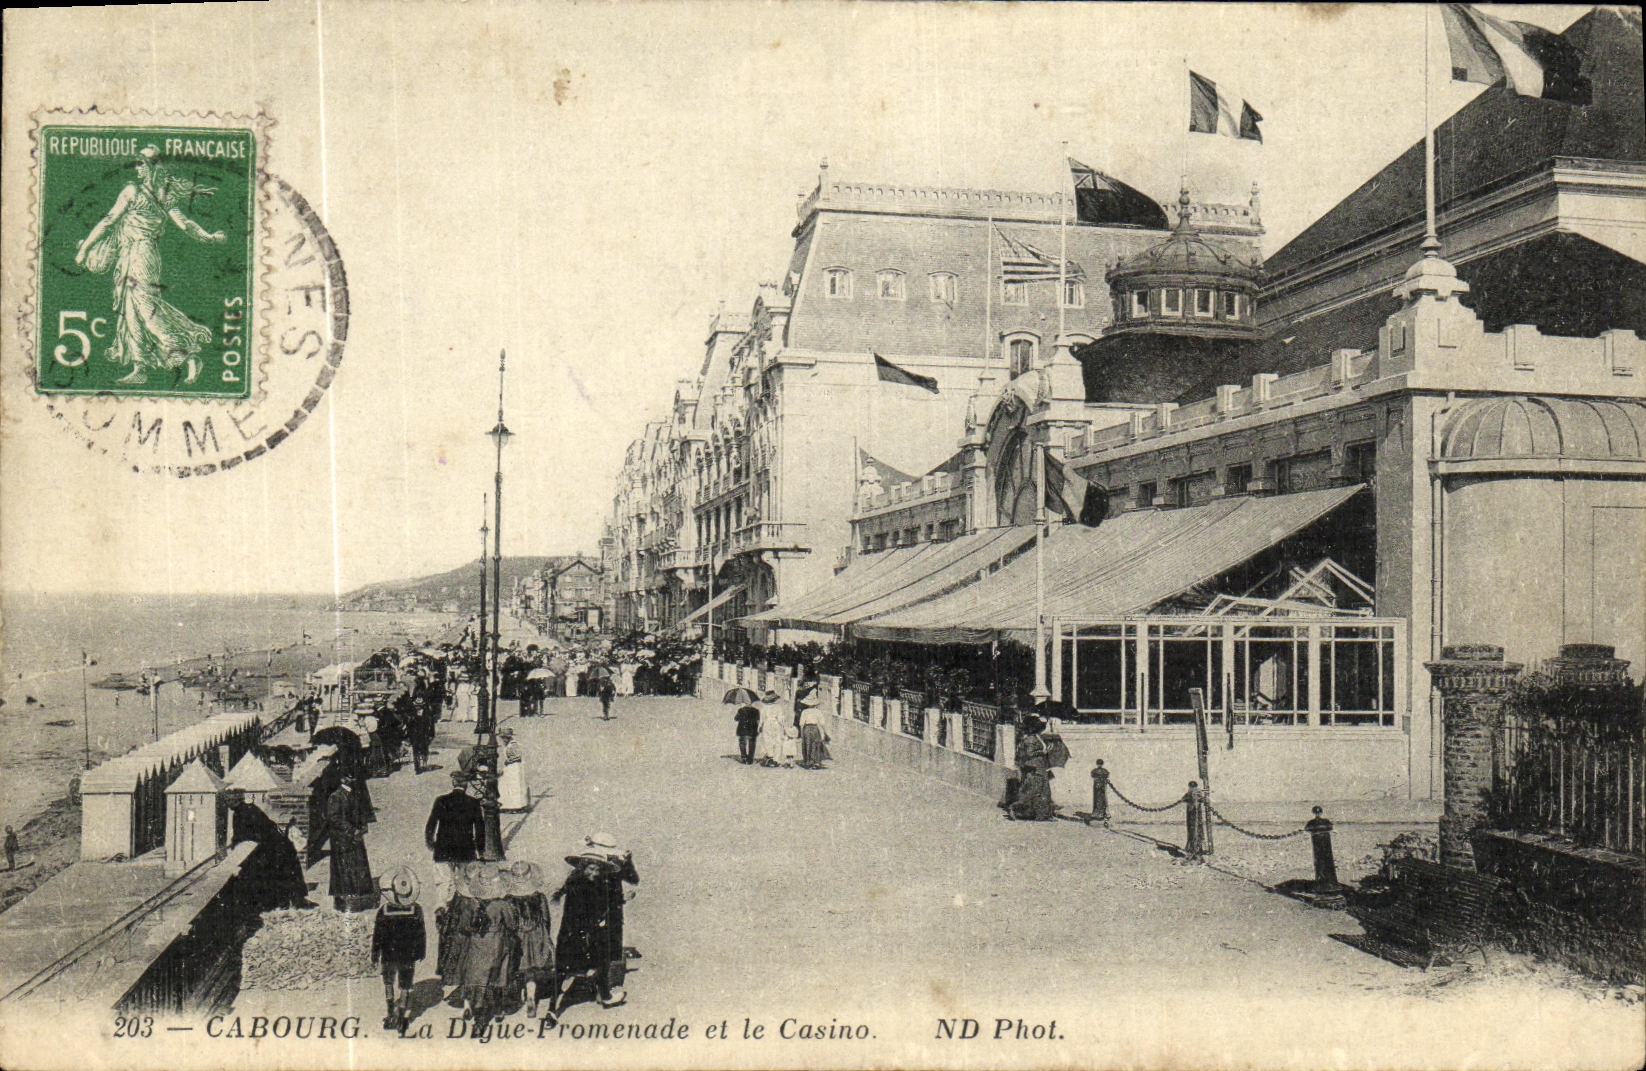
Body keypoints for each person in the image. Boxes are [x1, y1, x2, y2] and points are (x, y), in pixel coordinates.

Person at [73, 144, 225, 385]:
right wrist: (207, 236)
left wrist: (83, 249)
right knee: (130, 309)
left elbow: (109, 221)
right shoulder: (157, 193)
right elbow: (110, 221)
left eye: (141, 164)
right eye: (137, 163)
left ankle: (183, 351)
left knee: (144, 306)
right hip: (131, 254)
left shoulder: (139, 192)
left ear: (153, 167)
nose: (137, 168)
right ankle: (140, 367)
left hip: (142, 254)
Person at [551, 855, 621, 1011]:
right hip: (584, 935)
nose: (594, 873)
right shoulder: (589, 887)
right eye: (591, 869)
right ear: (583, 868)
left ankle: (551, 1009)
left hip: (567, 934)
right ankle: (604, 996)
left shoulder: (572, 883)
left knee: (562, 972)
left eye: (597, 870)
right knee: (603, 960)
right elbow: (593, 912)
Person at [453, 865, 520, 1024]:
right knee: (497, 977)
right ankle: (496, 1009)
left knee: (477, 977)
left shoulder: (471, 905)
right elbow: (512, 925)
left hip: (477, 944)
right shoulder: (502, 905)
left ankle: (474, 1007)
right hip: (497, 943)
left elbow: (464, 927)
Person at [583, 833, 639, 999]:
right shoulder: (615, 865)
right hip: (612, 913)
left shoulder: (586, 864)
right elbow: (633, 880)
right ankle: (611, 987)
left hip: (590, 914)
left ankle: (594, 982)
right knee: (613, 950)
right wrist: (628, 862)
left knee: (594, 947)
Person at [372, 866, 427, 1035]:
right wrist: (420, 951)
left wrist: (375, 953)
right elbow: (420, 933)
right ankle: (403, 1017)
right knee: (405, 984)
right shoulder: (415, 909)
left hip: (389, 953)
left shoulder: (384, 911)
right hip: (407, 954)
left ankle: (390, 1014)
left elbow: (378, 935)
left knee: (388, 982)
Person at [505, 862, 556, 1022]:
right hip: (536, 933)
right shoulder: (539, 896)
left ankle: (520, 993)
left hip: (519, 934)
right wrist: (545, 935)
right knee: (532, 971)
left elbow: (508, 921)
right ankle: (531, 995)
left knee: (519, 966)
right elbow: (546, 918)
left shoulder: (509, 899)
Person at [425, 772, 487, 899]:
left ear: (453, 783)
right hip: (465, 850)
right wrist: (480, 851)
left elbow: (431, 824)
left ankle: (442, 909)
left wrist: (431, 843)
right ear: (466, 785)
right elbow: (480, 830)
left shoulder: (441, 800)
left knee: (443, 884)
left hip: (443, 850)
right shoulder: (474, 803)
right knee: (466, 883)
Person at [323, 778, 375, 911]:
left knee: (356, 868)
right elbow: (334, 818)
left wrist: (363, 826)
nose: (353, 780)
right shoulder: (336, 796)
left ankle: (356, 898)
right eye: (350, 777)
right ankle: (342, 901)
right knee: (343, 870)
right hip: (342, 840)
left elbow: (360, 813)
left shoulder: (353, 795)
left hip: (354, 839)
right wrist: (351, 830)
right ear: (343, 780)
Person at [1006, 714, 1056, 821]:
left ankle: (1043, 814)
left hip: (1040, 766)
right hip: (1033, 767)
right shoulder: (1030, 739)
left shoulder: (1037, 737)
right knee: (1033, 790)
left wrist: (1046, 749)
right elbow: (1029, 753)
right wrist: (1043, 751)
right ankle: (1014, 808)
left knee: (1044, 791)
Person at [497, 727, 530, 812]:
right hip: (510, 767)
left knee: (514, 786)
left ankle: (516, 806)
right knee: (505, 785)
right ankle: (507, 805)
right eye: (503, 738)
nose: (503, 740)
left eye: (505, 738)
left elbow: (517, 757)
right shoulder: (508, 745)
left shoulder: (514, 745)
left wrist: (508, 762)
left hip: (515, 767)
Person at [1180, 781, 1211, 862]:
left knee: (1197, 832)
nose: (1192, 789)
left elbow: (1203, 800)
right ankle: (1194, 850)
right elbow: (1183, 799)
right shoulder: (1189, 794)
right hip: (1191, 816)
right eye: (1191, 787)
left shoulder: (1196, 793)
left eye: (1193, 787)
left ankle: (1197, 851)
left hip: (1196, 816)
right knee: (1192, 832)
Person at [754, 691, 786, 767]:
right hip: (775, 724)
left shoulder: (764, 707)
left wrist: (760, 726)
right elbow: (781, 718)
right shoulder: (778, 707)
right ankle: (776, 759)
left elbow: (762, 719)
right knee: (777, 741)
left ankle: (770, 756)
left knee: (768, 741)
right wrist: (783, 726)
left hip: (767, 724)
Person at [797, 700, 830, 770]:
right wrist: (825, 732)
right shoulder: (818, 712)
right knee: (815, 744)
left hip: (807, 728)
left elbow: (801, 724)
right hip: (814, 728)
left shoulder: (804, 712)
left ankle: (808, 762)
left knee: (807, 744)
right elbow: (822, 723)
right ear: (815, 704)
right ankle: (814, 762)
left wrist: (801, 733)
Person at [1087, 759, 1110, 827]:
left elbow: (1093, 775)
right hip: (1099, 786)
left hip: (1098, 786)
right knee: (1099, 799)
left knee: (1100, 799)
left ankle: (1099, 813)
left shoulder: (1095, 771)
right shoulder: (1104, 771)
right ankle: (1100, 813)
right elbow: (1106, 775)